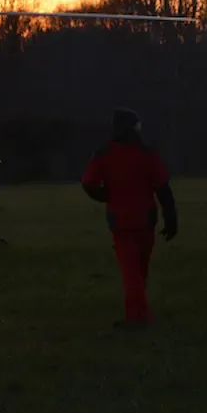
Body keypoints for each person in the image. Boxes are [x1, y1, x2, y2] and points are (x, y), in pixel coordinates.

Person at [81, 107, 178, 327]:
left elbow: (88, 182)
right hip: (145, 218)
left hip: (120, 220)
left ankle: (136, 313)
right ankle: (138, 313)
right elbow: (163, 188)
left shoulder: (104, 154)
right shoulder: (147, 154)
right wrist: (171, 217)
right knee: (140, 268)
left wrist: (105, 196)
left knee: (130, 269)